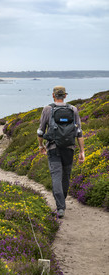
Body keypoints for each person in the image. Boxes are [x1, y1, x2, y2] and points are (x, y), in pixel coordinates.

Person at [37, 86, 85, 218]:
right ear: (65, 96)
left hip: (53, 148)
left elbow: (41, 130)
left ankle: (60, 207)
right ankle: (62, 202)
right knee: (66, 176)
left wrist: (41, 145)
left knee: (56, 176)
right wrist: (82, 151)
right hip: (69, 148)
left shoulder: (47, 109)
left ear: (53, 95)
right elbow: (79, 132)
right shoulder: (73, 109)